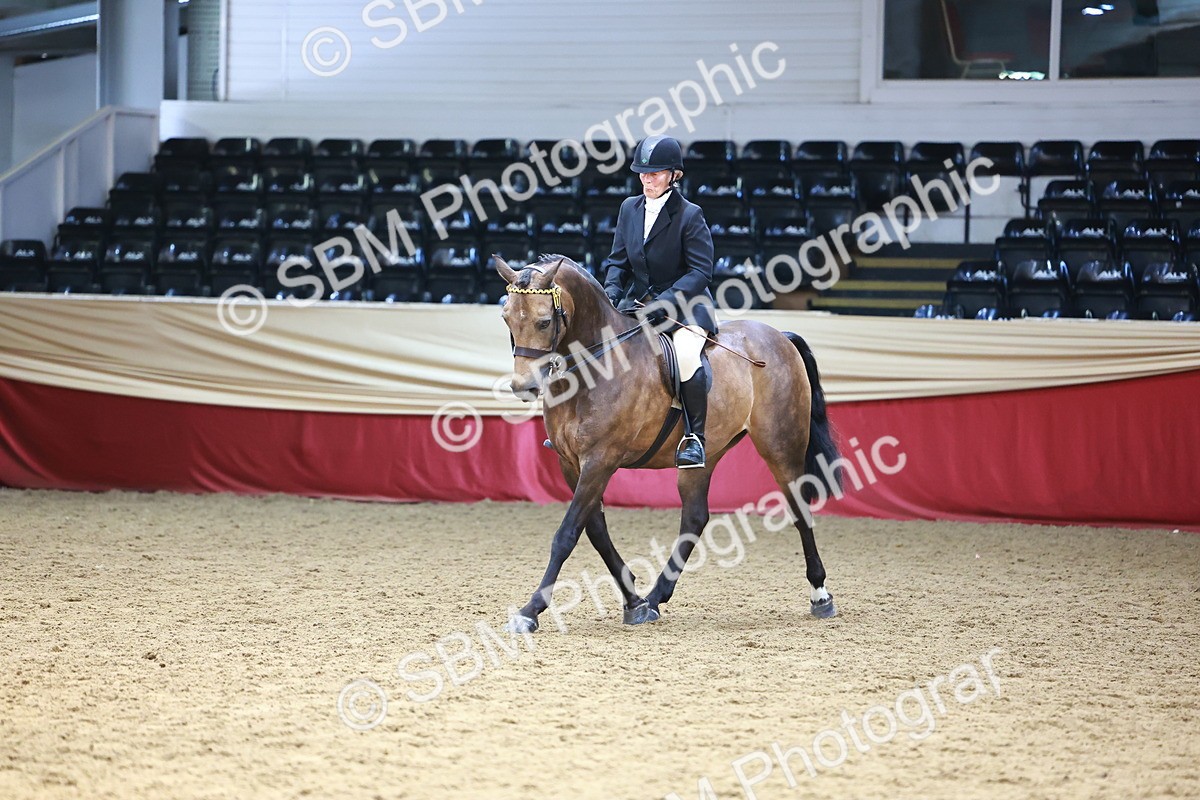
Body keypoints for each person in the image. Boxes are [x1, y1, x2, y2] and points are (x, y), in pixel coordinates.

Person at [601, 134, 718, 469]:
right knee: (597, 345)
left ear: (673, 175)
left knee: (685, 356)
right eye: (642, 173)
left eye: (654, 173)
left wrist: (664, 303)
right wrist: (610, 294)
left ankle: (694, 438)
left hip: (685, 307)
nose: (646, 179)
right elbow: (618, 261)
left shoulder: (690, 214)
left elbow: (700, 271)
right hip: (638, 304)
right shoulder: (629, 208)